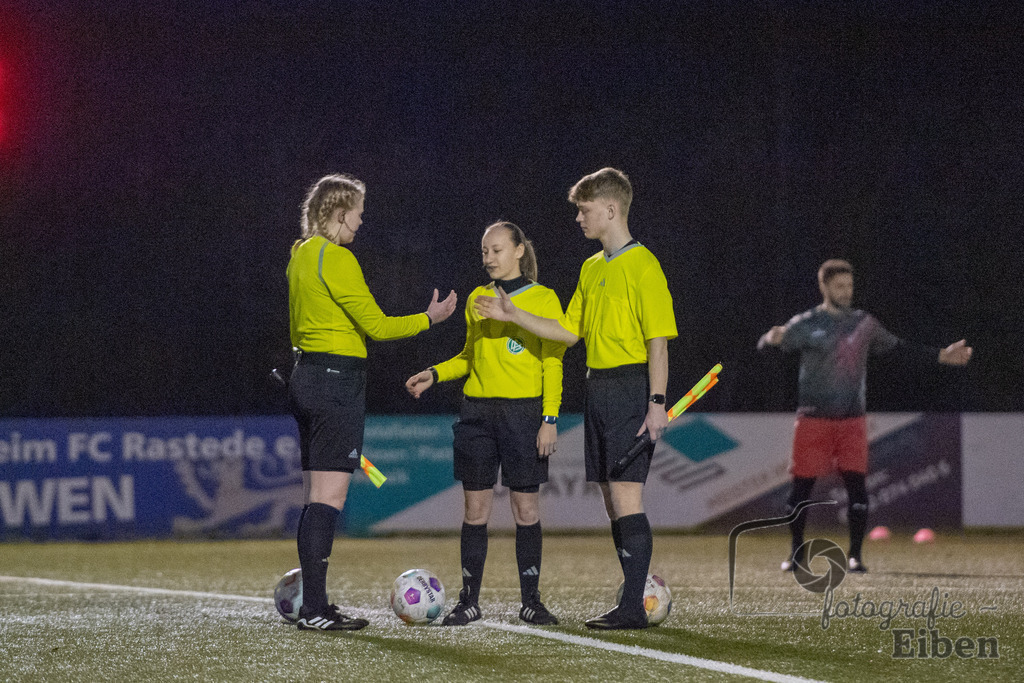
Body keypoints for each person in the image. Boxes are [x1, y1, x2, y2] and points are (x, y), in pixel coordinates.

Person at [475, 168, 677, 630]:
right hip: (597, 388)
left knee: (627, 497)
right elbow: (568, 332)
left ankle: (631, 608)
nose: (579, 218)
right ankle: (632, 598)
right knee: (610, 499)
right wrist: (513, 313)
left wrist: (657, 400)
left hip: (629, 387)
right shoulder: (591, 267)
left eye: (584, 210)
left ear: (610, 209)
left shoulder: (644, 264)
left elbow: (658, 342)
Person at [287, 173, 457, 631]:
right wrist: (430, 318)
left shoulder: (301, 254)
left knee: (313, 497)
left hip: (306, 377)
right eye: (358, 213)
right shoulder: (336, 258)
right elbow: (379, 327)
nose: (361, 222)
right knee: (329, 498)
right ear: (340, 213)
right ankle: (315, 610)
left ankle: (314, 603)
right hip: (336, 381)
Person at [758, 258, 972, 573]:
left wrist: (942, 356)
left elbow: (899, 350)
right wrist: (770, 338)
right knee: (801, 489)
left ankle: (855, 555)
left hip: (851, 420)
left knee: (857, 487)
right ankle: (796, 553)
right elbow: (766, 347)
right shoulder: (806, 324)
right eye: (840, 286)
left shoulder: (864, 324)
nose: (846, 291)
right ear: (824, 286)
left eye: (849, 285)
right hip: (812, 419)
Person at [406, 221, 566, 626]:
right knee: (474, 510)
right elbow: (468, 357)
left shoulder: (544, 298)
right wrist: (435, 373)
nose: (489, 258)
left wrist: (549, 419)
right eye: (484, 251)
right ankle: (469, 601)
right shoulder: (477, 297)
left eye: (496, 250)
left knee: (525, 509)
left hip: (524, 413)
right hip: (477, 413)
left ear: (518, 251)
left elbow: (553, 359)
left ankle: (531, 600)